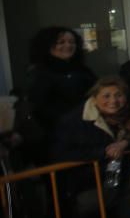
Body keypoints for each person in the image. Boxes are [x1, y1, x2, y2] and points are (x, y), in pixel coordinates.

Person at [52, 76, 130, 218]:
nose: (113, 101)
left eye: (118, 95)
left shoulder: (128, 116)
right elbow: (60, 154)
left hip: (115, 179)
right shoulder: (74, 121)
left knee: (116, 217)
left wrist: (125, 143)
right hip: (87, 182)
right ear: (94, 97)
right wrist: (102, 152)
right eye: (106, 96)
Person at [26, 27, 97, 163]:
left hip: (87, 132)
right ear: (48, 45)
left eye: (72, 42)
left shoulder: (82, 69)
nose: (68, 45)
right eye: (61, 42)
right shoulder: (40, 73)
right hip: (58, 138)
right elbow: (39, 108)